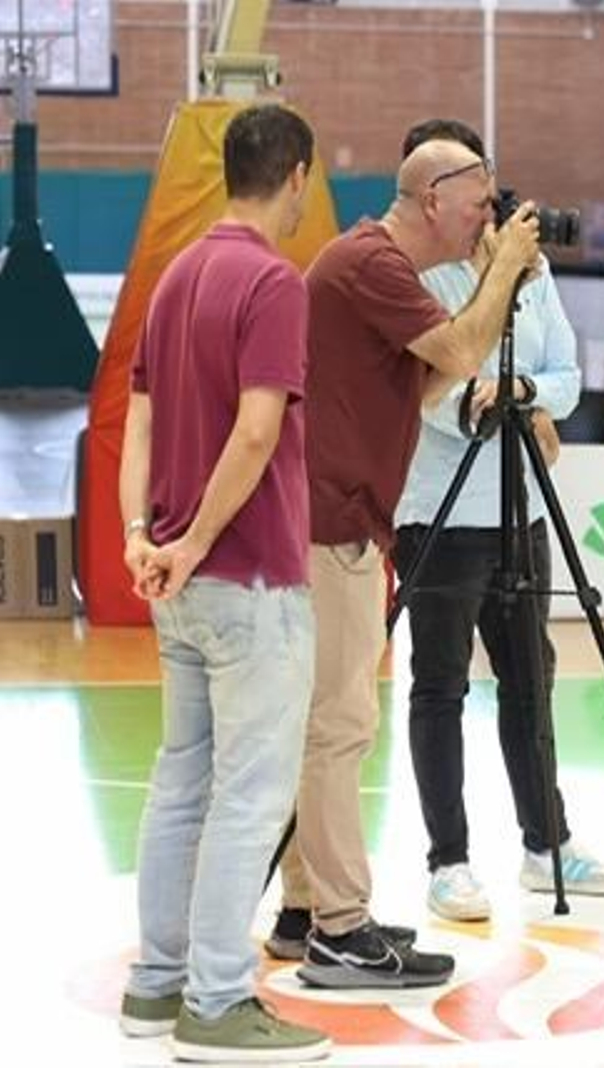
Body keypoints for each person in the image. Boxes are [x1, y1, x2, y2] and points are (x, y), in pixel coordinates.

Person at [265, 132, 544, 988]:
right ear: (434, 200)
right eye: (478, 205)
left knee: (330, 723)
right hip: (332, 526)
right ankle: (340, 930)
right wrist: (503, 275)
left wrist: (496, 294)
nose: (486, 221)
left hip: (341, 523)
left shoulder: (372, 268)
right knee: (342, 726)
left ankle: (307, 910)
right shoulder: (374, 264)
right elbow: (460, 353)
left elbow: (418, 385)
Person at [117, 103, 330, 1062]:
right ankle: (215, 1003)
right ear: (295, 178)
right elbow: (255, 433)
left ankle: (156, 989)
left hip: (176, 581)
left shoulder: (173, 280)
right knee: (250, 795)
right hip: (244, 580)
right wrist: (199, 541)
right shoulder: (274, 284)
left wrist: (142, 538)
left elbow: (141, 426)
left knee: (180, 784)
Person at [392, 119, 604, 922]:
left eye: (484, 186)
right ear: (435, 198)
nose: (480, 204)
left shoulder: (530, 273)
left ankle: (547, 843)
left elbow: (566, 375)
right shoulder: (418, 277)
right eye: (466, 190)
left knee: (531, 680)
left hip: (520, 508)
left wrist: (525, 393)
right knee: (440, 688)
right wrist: (478, 398)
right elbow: (424, 391)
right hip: (438, 512)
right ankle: (448, 861)